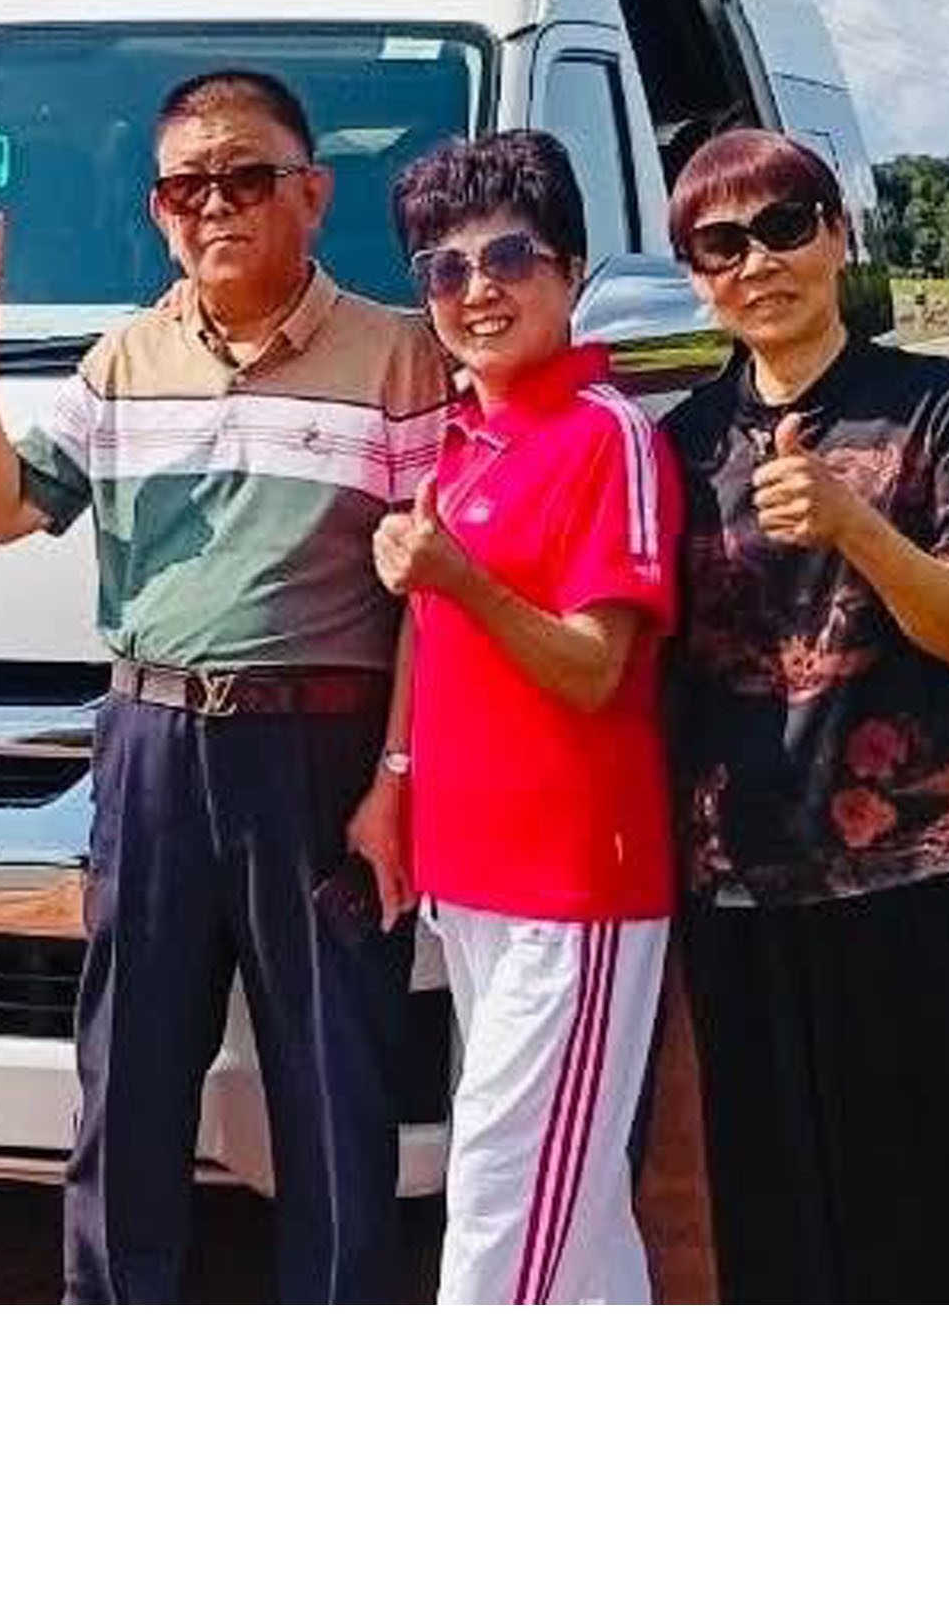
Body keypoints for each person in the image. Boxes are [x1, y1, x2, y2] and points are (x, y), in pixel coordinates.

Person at [0, 68, 446, 1303]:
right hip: (151, 746)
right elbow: (0, 511)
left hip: (318, 757)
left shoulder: (397, 358)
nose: (215, 204)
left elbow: (431, 602)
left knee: (333, 1081)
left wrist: (395, 778)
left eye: (245, 177)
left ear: (310, 195)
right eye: (184, 187)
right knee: (128, 1075)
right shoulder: (121, 361)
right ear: (159, 212)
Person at [656, 128, 949, 1302]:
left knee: (932, 1194)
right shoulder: (679, 446)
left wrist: (852, 524)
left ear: (836, 235)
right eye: (719, 244)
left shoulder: (940, 406)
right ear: (693, 275)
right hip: (736, 871)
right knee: (768, 1205)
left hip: (915, 866)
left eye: (783, 227)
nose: (756, 263)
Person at [373, 130, 681, 1305]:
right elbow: (428, 635)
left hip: (572, 887)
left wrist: (459, 578)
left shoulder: (606, 436)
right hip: (470, 877)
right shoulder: (460, 439)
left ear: (570, 268)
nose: (476, 290)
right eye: (443, 270)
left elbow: (596, 669)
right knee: (572, 1214)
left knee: (503, 1204)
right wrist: (395, 779)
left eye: (507, 257)